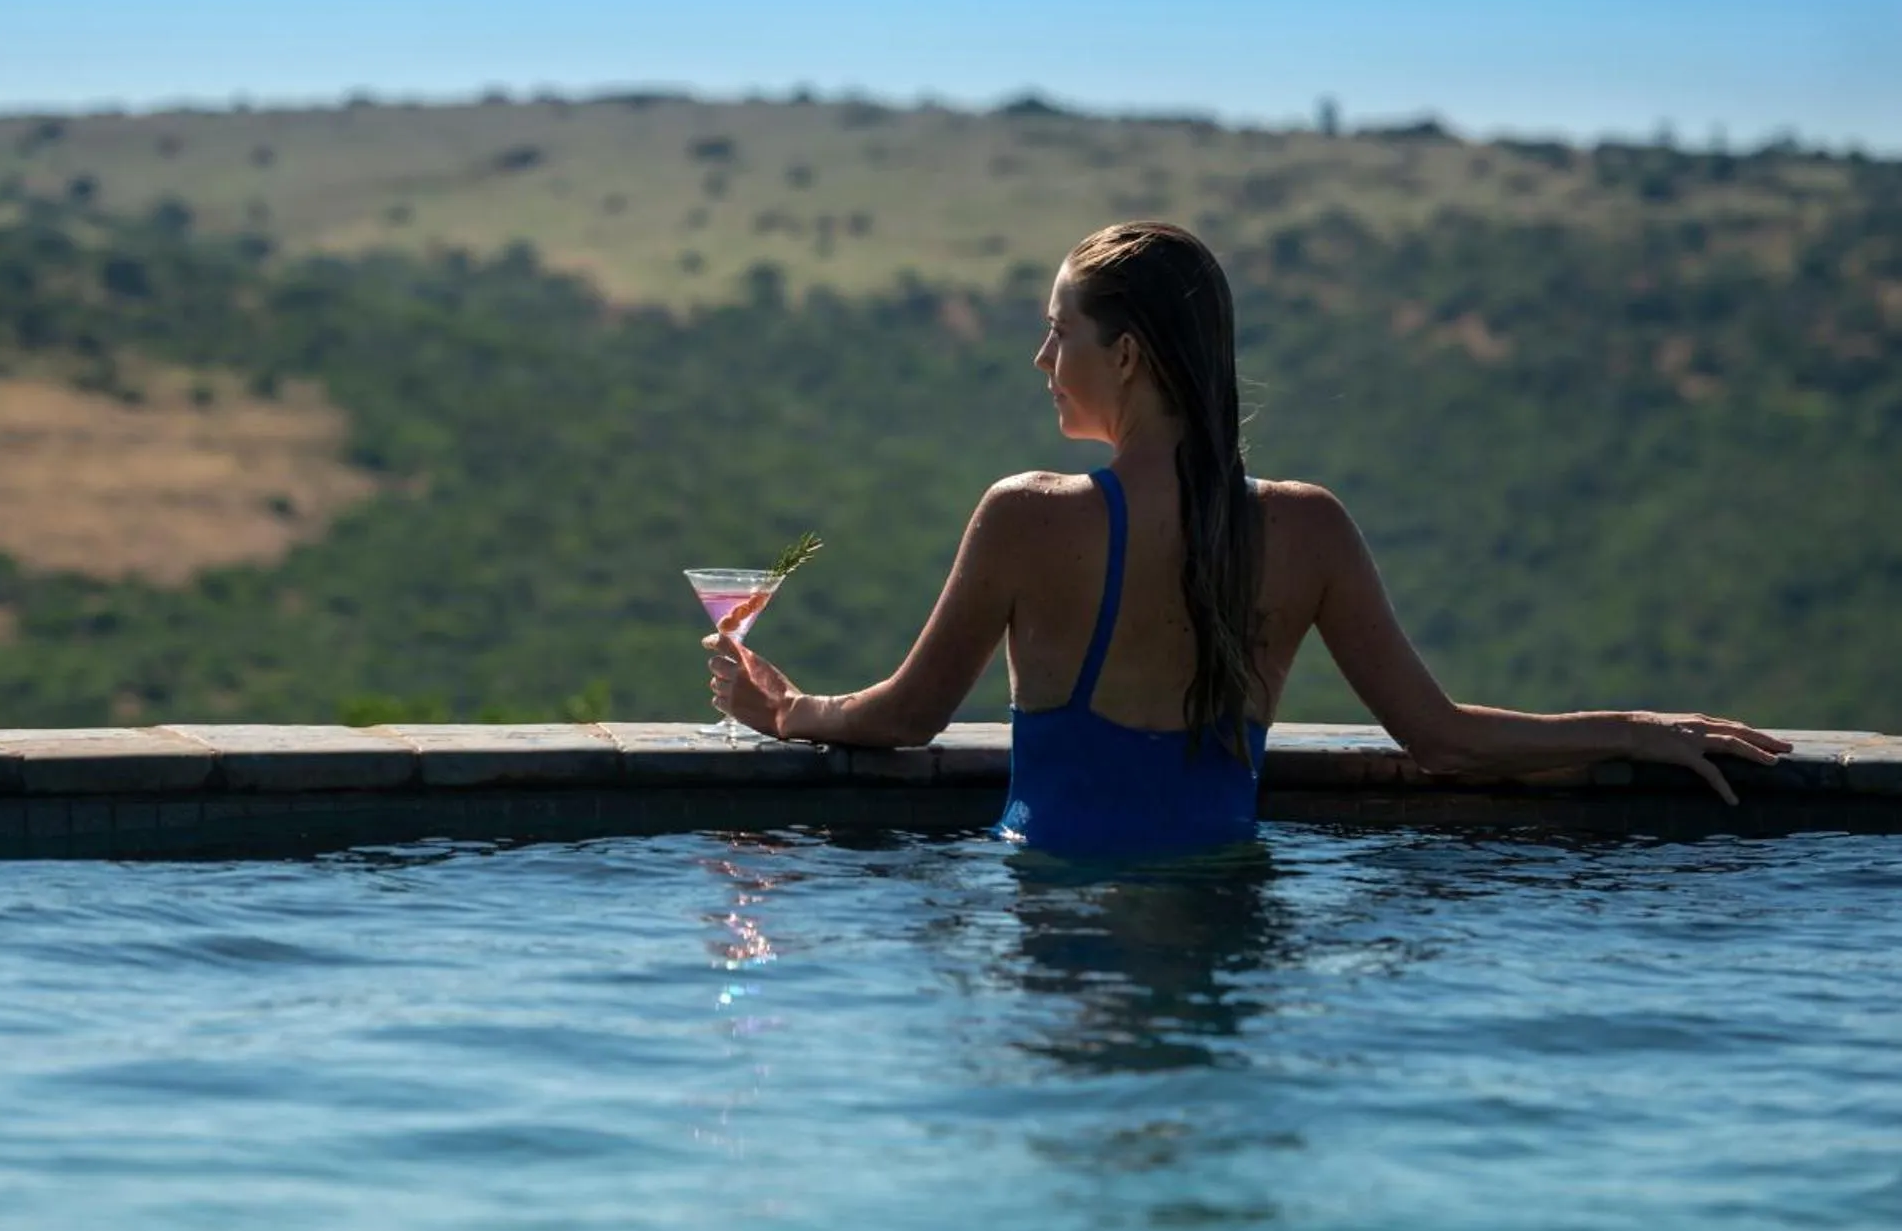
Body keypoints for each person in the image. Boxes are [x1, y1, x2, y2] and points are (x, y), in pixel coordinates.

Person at [704, 220, 1791, 858]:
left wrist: (784, 709)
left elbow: (902, 717)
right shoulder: (1305, 528)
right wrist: (1637, 730)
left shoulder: (1027, 516)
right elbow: (1444, 737)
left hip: (1057, 935)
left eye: (1058, 332)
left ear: (1124, 356)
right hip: (1230, 931)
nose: (1041, 360)